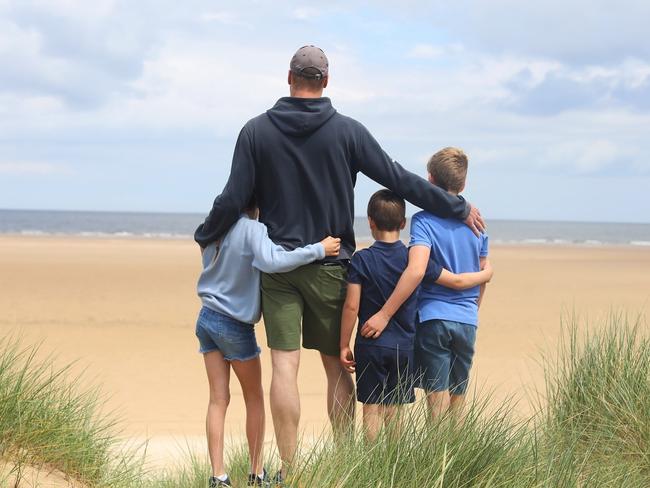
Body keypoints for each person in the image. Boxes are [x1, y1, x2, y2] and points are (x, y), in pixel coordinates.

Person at [194, 45, 485, 483]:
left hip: (279, 271)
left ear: (288, 77)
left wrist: (206, 233)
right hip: (334, 266)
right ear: (326, 82)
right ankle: (348, 465)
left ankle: (289, 472)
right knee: (335, 365)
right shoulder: (347, 131)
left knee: (284, 367)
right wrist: (455, 207)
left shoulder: (256, 131)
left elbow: (234, 199)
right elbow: (398, 178)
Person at [195, 195, 341, 487]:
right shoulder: (252, 229)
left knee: (218, 400)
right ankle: (256, 472)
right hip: (234, 324)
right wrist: (317, 250)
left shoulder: (212, 229)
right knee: (254, 399)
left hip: (206, 318)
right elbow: (273, 260)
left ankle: (218, 475)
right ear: (256, 205)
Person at [339, 190, 493, 441]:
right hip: (404, 346)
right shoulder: (415, 261)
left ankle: (370, 462)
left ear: (370, 221)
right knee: (396, 409)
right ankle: (394, 462)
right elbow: (454, 280)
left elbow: (351, 307)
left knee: (372, 407)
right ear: (403, 224)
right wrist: (485, 275)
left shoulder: (361, 259)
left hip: (370, 344)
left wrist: (344, 343)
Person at [360, 148, 490, 419]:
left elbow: (417, 270)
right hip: (467, 319)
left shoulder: (424, 221)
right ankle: (457, 457)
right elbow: (482, 274)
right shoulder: (477, 224)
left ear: (429, 181)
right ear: (463, 183)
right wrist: (472, 310)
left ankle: (436, 458)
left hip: (433, 318)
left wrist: (385, 314)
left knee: (436, 397)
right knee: (458, 395)